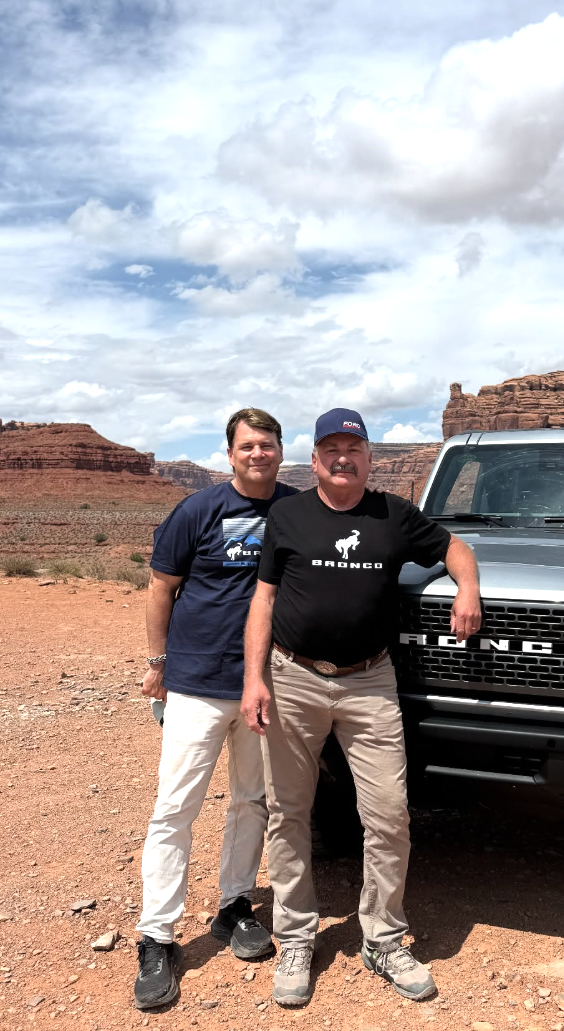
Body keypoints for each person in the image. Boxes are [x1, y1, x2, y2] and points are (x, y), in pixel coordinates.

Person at [240, 407, 482, 1007]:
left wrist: (469, 589)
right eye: (332, 448)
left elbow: (455, 549)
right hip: (293, 677)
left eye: (354, 447)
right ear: (316, 458)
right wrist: (255, 679)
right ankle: (295, 935)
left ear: (369, 458)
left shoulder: (393, 514)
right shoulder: (289, 516)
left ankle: (383, 936)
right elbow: (264, 600)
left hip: (370, 682)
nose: (342, 457)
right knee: (289, 813)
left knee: (389, 814)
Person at [134, 407, 297, 1011]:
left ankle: (234, 905)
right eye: (248, 445)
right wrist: (157, 663)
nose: (259, 453)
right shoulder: (197, 511)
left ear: (281, 451)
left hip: (264, 686)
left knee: (251, 800)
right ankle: (157, 936)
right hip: (198, 682)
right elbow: (160, 586)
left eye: (268, 444)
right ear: (230, 454)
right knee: (175, 807)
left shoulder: (295, 511)